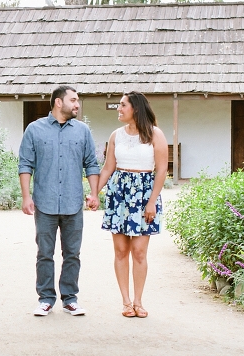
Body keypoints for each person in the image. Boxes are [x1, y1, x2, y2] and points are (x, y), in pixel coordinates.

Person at [18, 85, 100, 316]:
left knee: (72, 254)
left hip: (73, 203)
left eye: (77, 101)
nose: (77, 105)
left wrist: (94, 194)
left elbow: (91, 164)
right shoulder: (34, 130)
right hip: (45, 202)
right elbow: (25, 164)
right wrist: (26, 197)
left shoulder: (82, 131)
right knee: (44, 253)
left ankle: (70, 299)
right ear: (58, 102)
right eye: (73, 100)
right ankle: (45, 298)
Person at [87, 91, 167, 319]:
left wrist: (152, 201)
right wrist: (94, 193)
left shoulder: (155, 134)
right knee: (121, 251)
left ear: (136, 109)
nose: (119, 109)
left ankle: (138, 301)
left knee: (139, 252)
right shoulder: (116, 135)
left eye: (122, 105)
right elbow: (107, 168)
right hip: (119, 194)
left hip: (144, 195)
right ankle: (125, 301)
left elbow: (161, 170)